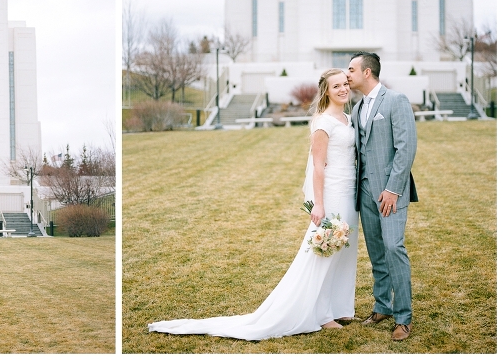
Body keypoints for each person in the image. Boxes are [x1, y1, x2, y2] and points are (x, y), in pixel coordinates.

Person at [148, 69, 358, 341]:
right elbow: (318, 166)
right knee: (323, 252)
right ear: (326, 91)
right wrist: (318, 204)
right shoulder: (323, 123)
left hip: (349, 192)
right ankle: (320, 314)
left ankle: (335, 307)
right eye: (336, 86)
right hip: (331, 194)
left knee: (342, 252)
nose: (343, 89)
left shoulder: (348, 118)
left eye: (345, 84)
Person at [347, 52, 417, 341]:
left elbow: (406, 148)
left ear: (367, 72)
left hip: (389, 192)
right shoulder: (357, 107)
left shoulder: (395, 101)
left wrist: (393, 189)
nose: (346, 74)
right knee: (376, 252)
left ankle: (403, 317)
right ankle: (382, 306)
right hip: (363, 192)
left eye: (351, 69)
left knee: (393, 248)